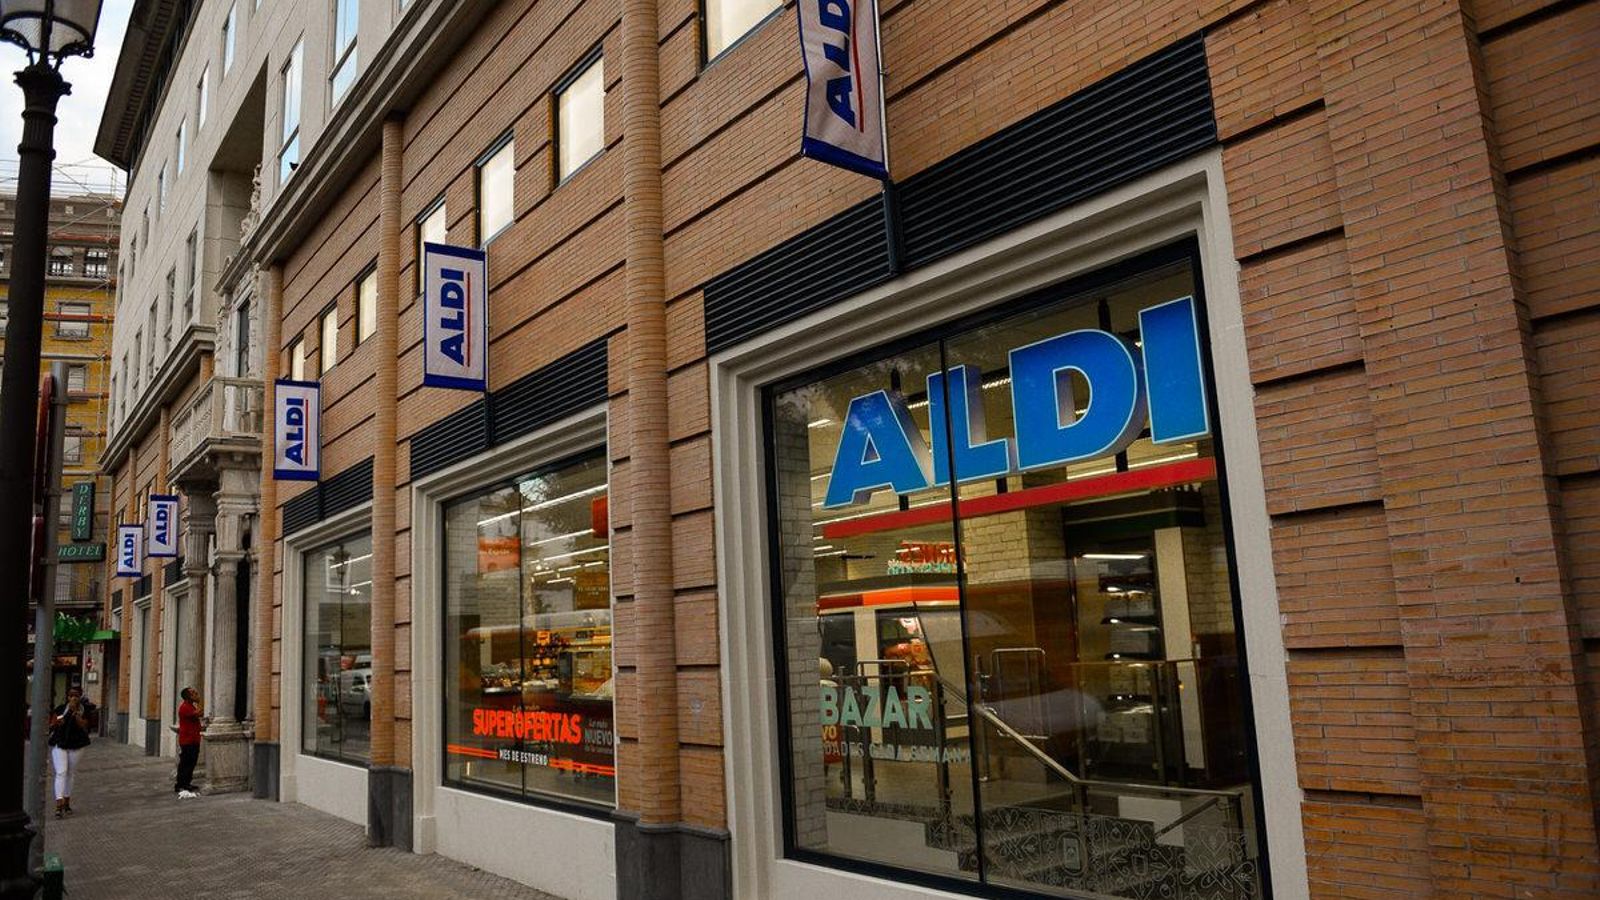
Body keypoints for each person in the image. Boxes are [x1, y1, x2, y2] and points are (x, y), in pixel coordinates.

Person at [48, 686, 94, 818]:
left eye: (76, 695)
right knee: (61, 772)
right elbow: (54, 723)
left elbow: (84, 725)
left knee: (70, 773)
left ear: (80, 697)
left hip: (77, 744)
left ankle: (67, 801)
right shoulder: (61, 709)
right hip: (60, 743)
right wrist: (62, 718)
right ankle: (59, 805)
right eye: (71, 695)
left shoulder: (84, 710)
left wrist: (75, 713)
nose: (73, 698)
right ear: (67, 697)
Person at [175, 687, 203, 798]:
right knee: (186, 763)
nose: (196, 694)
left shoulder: (190, 706)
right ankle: (182, 784)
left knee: (190, 763)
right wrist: (200, 701)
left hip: (193, 739)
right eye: (193, 693)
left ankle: (185, 783)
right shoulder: (185, 707)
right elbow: (199, 713)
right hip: (188, 741)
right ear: (188, 696)